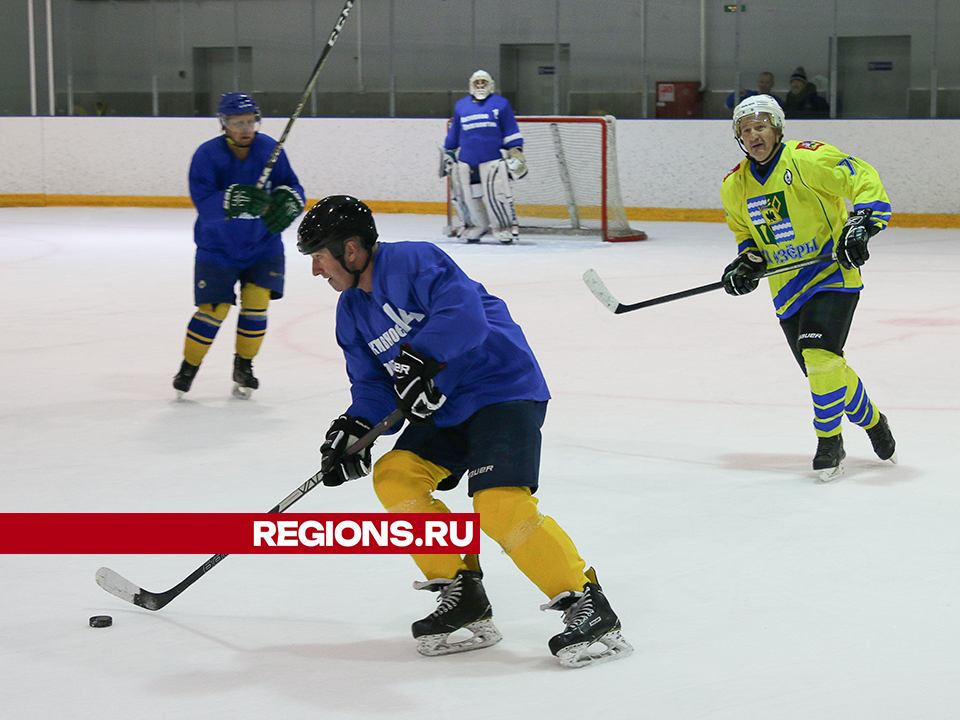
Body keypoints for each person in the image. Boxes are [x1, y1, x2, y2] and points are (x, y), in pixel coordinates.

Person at [296, 195, 632, 668]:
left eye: (319, 258)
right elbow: (373, 386)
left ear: (350, 250)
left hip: (501, 389)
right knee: (395, 475)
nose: (316, 271)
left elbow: (465, 316)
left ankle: (586, 602)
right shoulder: (351, 311)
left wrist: (423, 359)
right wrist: (355, 429)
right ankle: (463, 591)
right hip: (446, 407)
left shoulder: (413, 259)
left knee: (497, 505)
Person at [720, 95, 896, 482]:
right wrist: (746, 263)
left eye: (760, 127)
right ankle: (874, 422)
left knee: (818, 358)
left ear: (778, 129)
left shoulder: (806, 159)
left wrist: (862, 223)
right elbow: (746, 234)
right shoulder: (735, 186)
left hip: (832, 274)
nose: (754, 136)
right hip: (786, 290)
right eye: (745, 131)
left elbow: (861, 177)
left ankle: (829, 442)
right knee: (826, 371)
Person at [173, 92, 305, 399]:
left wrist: (291, 201)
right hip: (217, 249)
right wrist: (233, 200)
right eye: (237, 122)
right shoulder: (207, 155)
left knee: (257, 305)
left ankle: (244, 366)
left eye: (250, 121)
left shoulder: (270, 148)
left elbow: (292, 184)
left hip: (263, 246)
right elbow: (204, 204)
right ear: (224, 124)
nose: (245, 128)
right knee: (213, 311)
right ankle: (189, 367)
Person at [440, 70, 526, 244]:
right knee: (465, 197)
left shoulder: (501, 104)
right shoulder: (461, 105)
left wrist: (515, 150)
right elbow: (455, 131)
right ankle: (475, 226)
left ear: (490, 85)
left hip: (492, 159)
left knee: (497, 195)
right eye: (477, 83)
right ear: (471, 85)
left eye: (483, 83)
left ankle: (504, 227)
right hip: (465, 160)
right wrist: (449, 150)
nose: (480, 86)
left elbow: (510, 128)